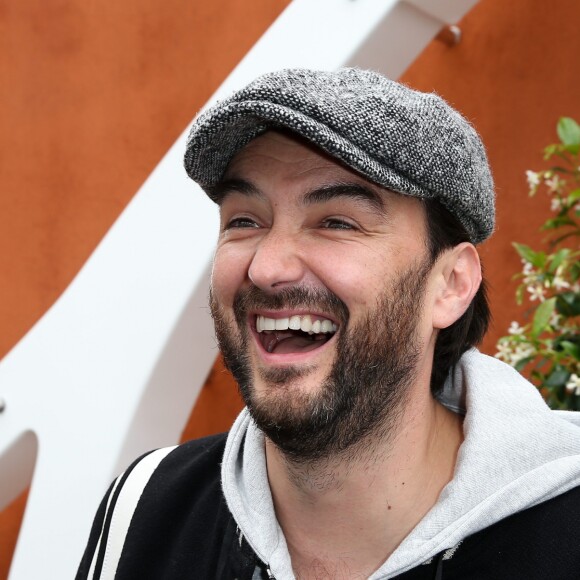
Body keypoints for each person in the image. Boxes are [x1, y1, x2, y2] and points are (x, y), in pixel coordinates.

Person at [76, 68, 580, 580]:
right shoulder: (145, 509)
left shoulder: (564, 532)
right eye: (244, 220)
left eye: (337, 222)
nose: (267, 267)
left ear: (449, 284)